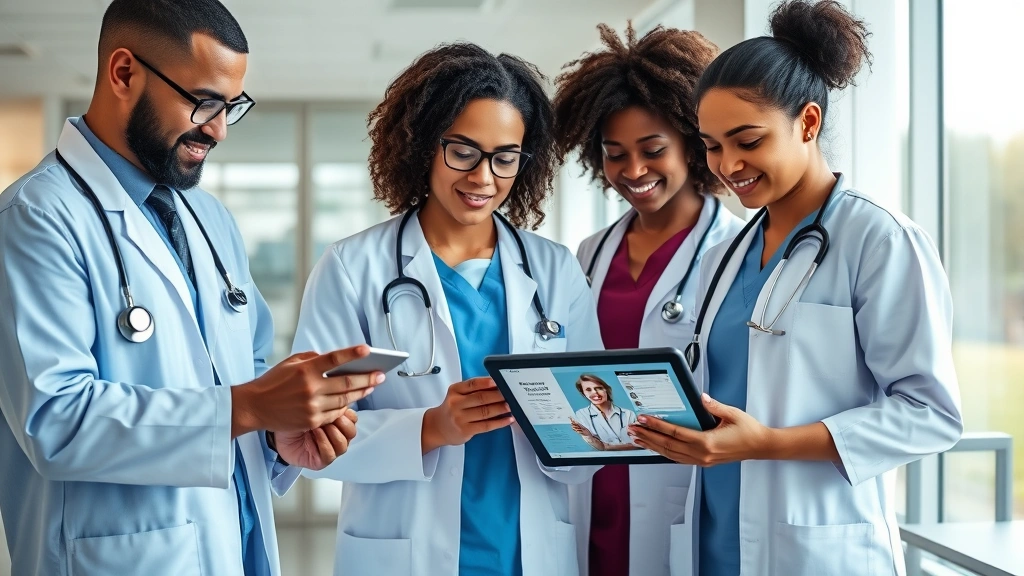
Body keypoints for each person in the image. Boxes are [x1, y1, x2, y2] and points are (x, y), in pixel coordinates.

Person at [0, 1, 381, 574]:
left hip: (236, 545)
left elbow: (244, 374)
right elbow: (55, 420)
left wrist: (275, 431)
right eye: (204, 102)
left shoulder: (209, 218)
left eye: (232, 107)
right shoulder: (36, 217)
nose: (219, 129)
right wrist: (249, 406)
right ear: (123, 73)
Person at [627, 2, 963, 575]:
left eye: (748, 140)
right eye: (712, 145)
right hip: (714, 541)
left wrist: (768, 443)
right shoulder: (724, 257)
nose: (728, 164)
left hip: (815, 548)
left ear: (807, 123)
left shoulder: (878, 240)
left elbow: (930, 413)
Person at [290, 43, 603, 576]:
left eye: (505, 157)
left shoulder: (555, 269)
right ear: (423, 145)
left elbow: (594, 423)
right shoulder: (353, 267)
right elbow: (310, 434)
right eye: (463, 151)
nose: (483, 177)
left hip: (526, 552)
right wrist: (431, 427)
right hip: (404, 551)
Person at [552, 23, 744, 576]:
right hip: (594, 483)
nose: (633, 171)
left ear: (693, 143)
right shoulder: (589, 253)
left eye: (653, 150)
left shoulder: (734, 251)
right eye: (615, 154)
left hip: (680, 488)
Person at [570, 374, 640, 450]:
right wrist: (588, 436)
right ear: (583, 393)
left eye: (599, 388)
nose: (595, 393)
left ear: (606, 389)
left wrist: (606, 447)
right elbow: (597, 446)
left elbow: (639, 444)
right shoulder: (582, 414)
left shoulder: (628, 414)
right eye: (588, 390)